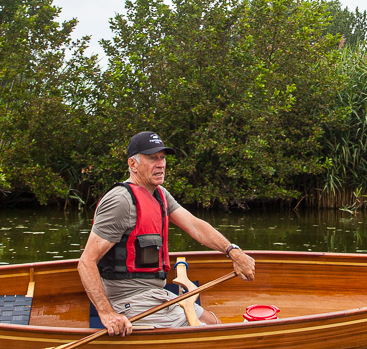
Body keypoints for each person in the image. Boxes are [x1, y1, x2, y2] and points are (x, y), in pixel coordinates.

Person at [78, 131, 256, 335]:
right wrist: (107, 314)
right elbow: (86, 262)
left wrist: (233, 251)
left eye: (162, 158)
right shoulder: (121, 201)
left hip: (155, 295)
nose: (160, 164)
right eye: (152, 158)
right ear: (133, 164)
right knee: (212, 335)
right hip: (128, 301)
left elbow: (195, 225)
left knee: (214, 323)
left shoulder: (160, 194)